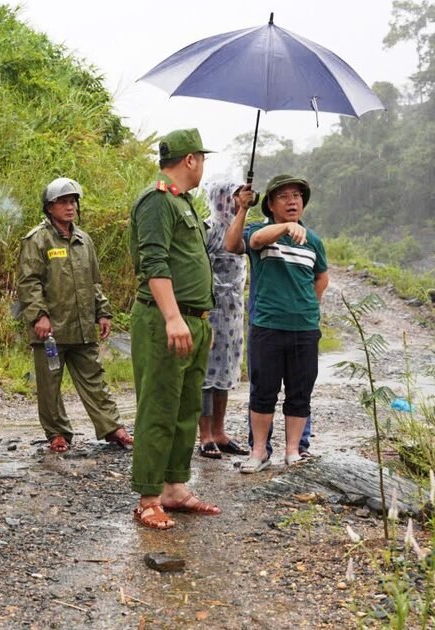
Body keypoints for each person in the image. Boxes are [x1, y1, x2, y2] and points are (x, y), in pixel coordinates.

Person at [128, 128, 220, 530]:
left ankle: (174, 487)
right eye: (201, 158)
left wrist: (196, 319)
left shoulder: (183, 204)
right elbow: (154, 262)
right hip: (167, 319)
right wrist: (172, 317)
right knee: (159, 407)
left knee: (186, 407)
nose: (202, 165)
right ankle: (148, 496)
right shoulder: (157, 201)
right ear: (190, 160)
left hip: (194, 321)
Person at [17, 177, 133, 453]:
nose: (70, 207)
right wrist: (38, 317)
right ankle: (57, 433)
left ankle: (112, 427)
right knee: (50, 385)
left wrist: (102, 312)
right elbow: (28, 282)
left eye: (73, 202)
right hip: (51, 330)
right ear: (49, 207)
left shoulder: (84, 240)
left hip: (82, 326)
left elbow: (94, 282)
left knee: (95, 377)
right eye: (63, 202)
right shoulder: (37, 239)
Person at [236, 175, 329, 473]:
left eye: (297, 197)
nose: (293, 202)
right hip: (268, 326)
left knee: (299, 391)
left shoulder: (313, 240)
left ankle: (292, 451)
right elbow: (253, 241)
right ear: (271, 206)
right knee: (263, 390)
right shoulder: (260, 232)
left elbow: (321, 276)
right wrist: (286, 228)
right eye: (285, 197)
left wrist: (308, 306)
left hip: (304, 328)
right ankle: (259, 451)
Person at [196, 182, 252, 460]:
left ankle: (219, 431)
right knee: (206, 374)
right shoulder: (206, 229)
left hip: (233, 311)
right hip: (210, 308)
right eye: (232, 196)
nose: (235, 201)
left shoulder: (238, 230)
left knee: (226, 371)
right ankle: (205, 435)